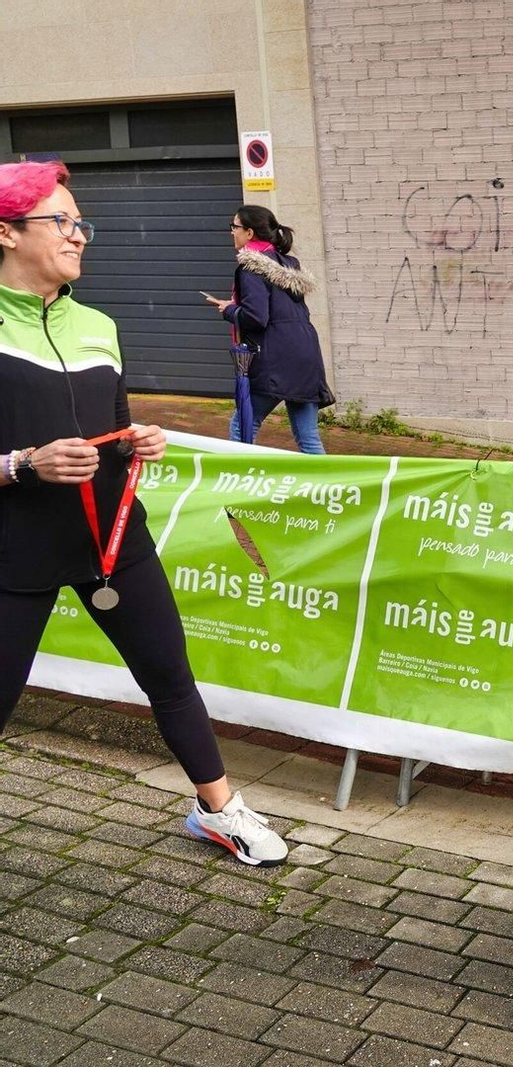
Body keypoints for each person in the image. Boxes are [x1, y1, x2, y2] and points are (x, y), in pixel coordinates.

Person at [0, 161, 287, 867]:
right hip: (16, 550)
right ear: (7, 233)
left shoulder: (97, 323)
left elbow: (115, 423)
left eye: (79, 223)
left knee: (169, 673)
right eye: (60, 222)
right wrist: (22, 463)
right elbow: (24, 453)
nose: (79, 236)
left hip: (113, 542)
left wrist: (139, 440)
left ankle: (219, 811)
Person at [205, 205, 333, 453]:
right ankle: (328, 488)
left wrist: (229, 311)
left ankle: (241, 484)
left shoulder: (251, 266)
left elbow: (257, 316)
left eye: (235, 227)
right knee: (308, 437)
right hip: (306, 355)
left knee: (242, 428)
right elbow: (278, 308)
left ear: (249, 233)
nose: (232, 232)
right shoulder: (289, 265)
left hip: (275, 358)